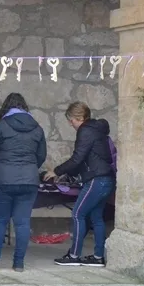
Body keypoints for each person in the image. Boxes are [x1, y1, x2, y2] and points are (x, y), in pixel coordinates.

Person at [45, 101, 116, 268]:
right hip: (106, 179)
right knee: (96, 217)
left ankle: (74, 255)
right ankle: (98, 257)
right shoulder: (97, 129)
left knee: (78, 214)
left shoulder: (85, 131)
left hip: (96, 180)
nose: (71, 124)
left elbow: (77, 158)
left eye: (71, 120)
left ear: (79, 118)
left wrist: (56, 171)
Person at [0, 93, 47, 272]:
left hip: (3, 179)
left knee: (0, 220)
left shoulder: (1, 125)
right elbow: (41, 156)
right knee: (23, 222)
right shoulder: (37, 128)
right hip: (29, 180)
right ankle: (18, 263)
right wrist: (29, 168)